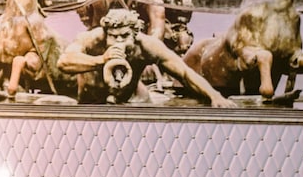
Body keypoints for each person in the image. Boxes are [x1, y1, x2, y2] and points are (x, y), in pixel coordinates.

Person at [57, 8, 235, 107]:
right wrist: (101, 60)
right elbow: (64, 62)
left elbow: (185, 73)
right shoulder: (92, 39)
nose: (118, 41)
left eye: (124, 36)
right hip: (91, 101)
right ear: (106, 33)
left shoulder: (147, 46)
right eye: (113, 36)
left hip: (130, 100)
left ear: (135, 34)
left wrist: (215, 96)